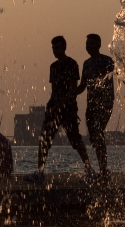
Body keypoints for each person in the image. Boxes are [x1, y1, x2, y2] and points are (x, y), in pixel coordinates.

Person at [25, 36, 94, 183]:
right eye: (53, 48)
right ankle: (40, 172)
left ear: (63, 48)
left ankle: (89, 169)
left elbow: (72, 90)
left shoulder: (72, 64)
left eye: (57, 48)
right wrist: (51, 106)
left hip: (68, 109)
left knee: (75, 140)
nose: (55, 51)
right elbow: (54, 90)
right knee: (44, 139)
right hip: (53, 109)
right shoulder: (53, 67)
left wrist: (60, 105)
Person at [81, 33, 117, 179]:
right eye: (87, 44)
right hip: (91, 105)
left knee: (98, 133)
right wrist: (70, 94)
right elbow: (83, 85)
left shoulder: (106, 61)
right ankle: (102, 168)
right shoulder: (86, 63)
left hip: (105, 103)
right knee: (94, 137)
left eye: (91, 44)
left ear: (98, 45)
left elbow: (120, 73)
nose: (88, 46)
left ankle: (103, 170)